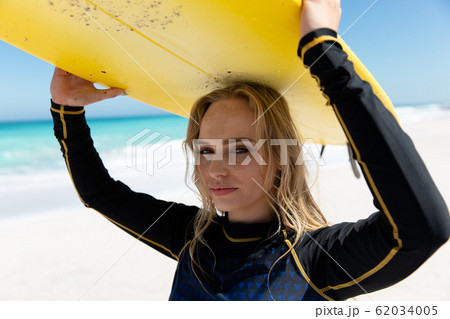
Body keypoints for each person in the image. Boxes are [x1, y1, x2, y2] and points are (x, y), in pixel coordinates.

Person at [49, 0, 449, 301]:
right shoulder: (192, 239)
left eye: (240, 149)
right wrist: (67, 110)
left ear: (281, 157)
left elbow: (422, 230)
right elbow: (99, 193)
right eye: (205, 151)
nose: (216, 170)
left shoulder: (316, 261)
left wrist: (324, 54)